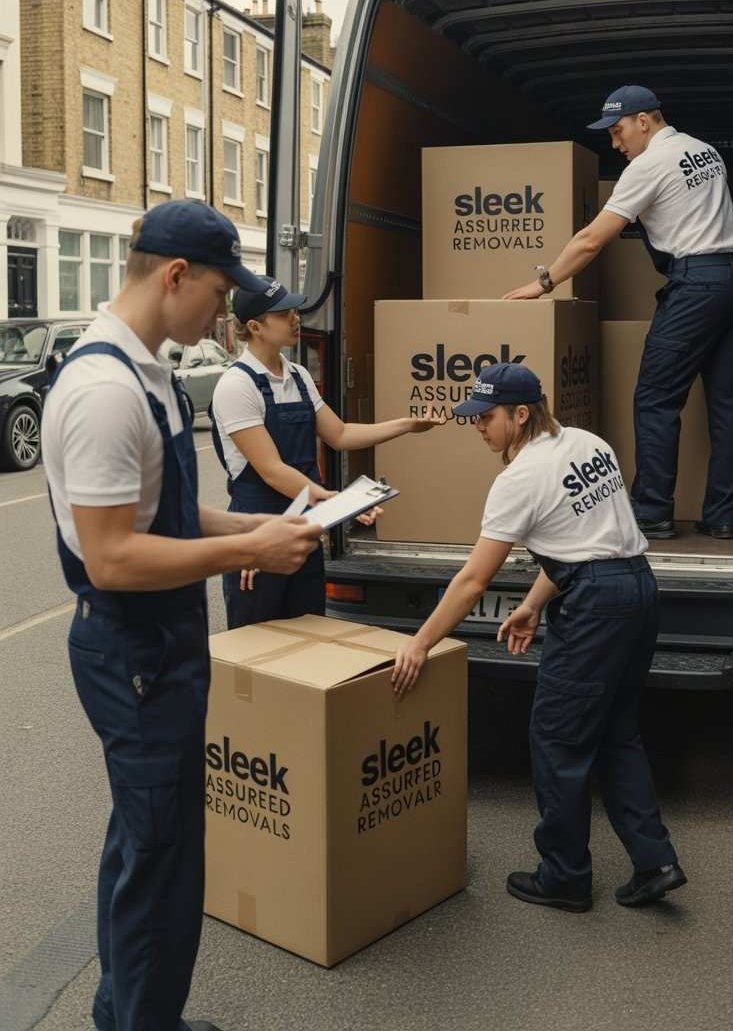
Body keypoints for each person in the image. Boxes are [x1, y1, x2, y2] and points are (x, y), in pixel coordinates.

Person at [41, 201, 323, 1031]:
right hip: (132, 648)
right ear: (174, 276)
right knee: (162, 866)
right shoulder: (104, 391)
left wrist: (251, 529)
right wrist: (249, 552)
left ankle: (125, 1014)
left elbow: (164, 513)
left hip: (160, 642)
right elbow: (111, 556)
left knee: (145, 841)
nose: (224, 312)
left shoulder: (151, 373)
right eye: (219, 292)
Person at [390, 361, 685, 912]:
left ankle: (565, 877)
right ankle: (656, 862)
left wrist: (420, 642)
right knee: (616, 731)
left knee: (556, 739)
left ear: (521, 414)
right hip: (638, 592)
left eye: (487, 417)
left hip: (596, 608)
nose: (478, 427)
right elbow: (585, 538)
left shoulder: (519, 479)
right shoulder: (589, 443)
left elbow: (473, 580)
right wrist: (531, 603)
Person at [504, 85, 733, 541]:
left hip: (698, 285)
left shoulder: (648, 164)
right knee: (728, 405)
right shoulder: (705, 151)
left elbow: (591, 240)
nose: (615, 143)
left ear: (645, 121)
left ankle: (653, 511)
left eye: (618, 131)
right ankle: (721, 516)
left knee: (656, 398)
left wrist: (544, 284)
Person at [211, 279, 445, 627]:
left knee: (309, 638)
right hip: (258, 537)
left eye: (295, 311)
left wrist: (408, 425)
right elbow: (272, 470)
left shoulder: (298, 376)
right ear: (256, 327)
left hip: (303, 532)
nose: (296, 319)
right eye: (284, 314)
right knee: (258, 646)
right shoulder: (236, 385)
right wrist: (339, 501)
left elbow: (340, 434)